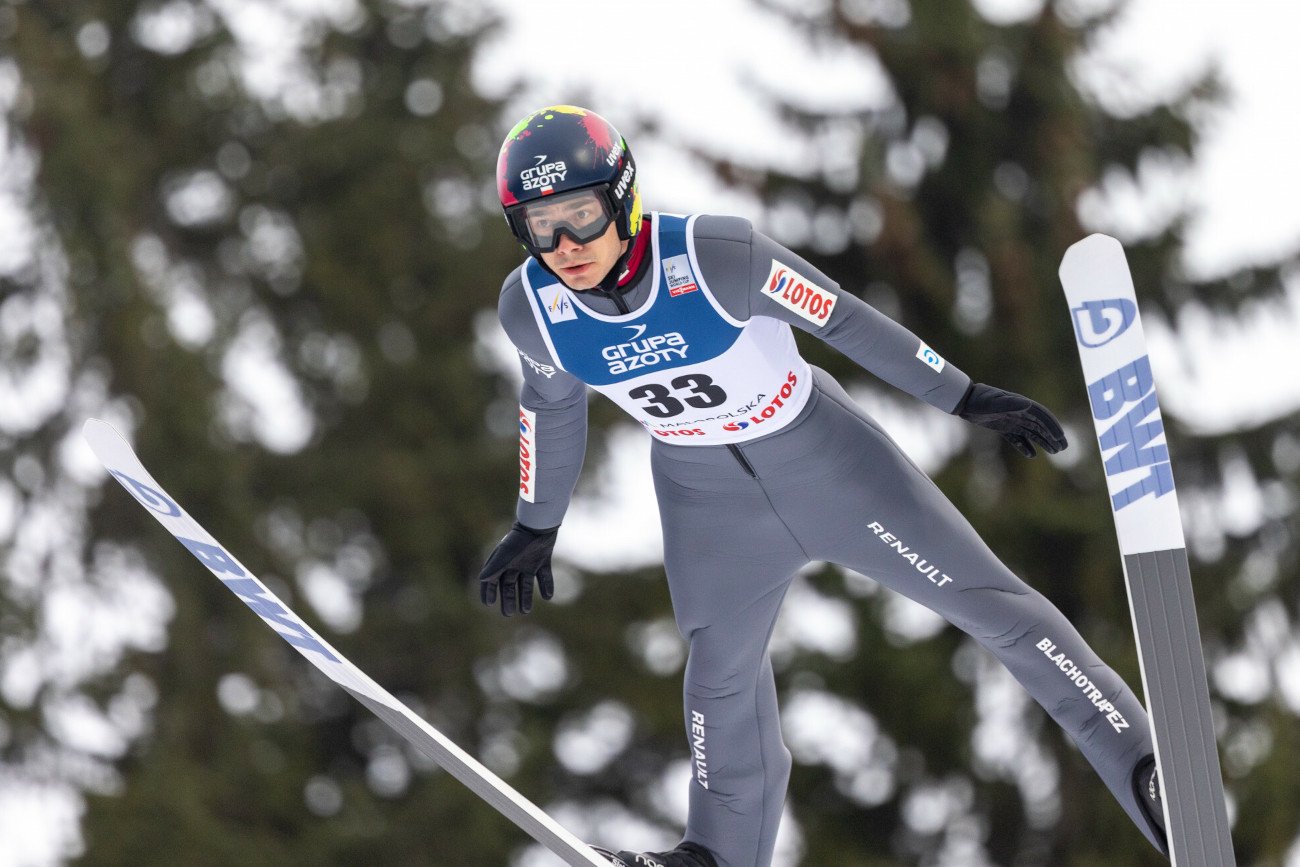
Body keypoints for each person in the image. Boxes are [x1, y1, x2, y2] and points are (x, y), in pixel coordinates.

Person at [477, 104, 1168, 867]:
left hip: (827, 464)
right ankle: (716, 854)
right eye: (541, 226)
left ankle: (1142, 762)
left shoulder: (716, 256)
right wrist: (536, 524)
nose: (566, 245)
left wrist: (963, 395)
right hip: (706, 501)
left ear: (622, 196)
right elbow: (550, 407)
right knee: (718, 679)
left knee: (993, 607)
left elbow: (842, 319)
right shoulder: (533, 309)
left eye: (580, 215)